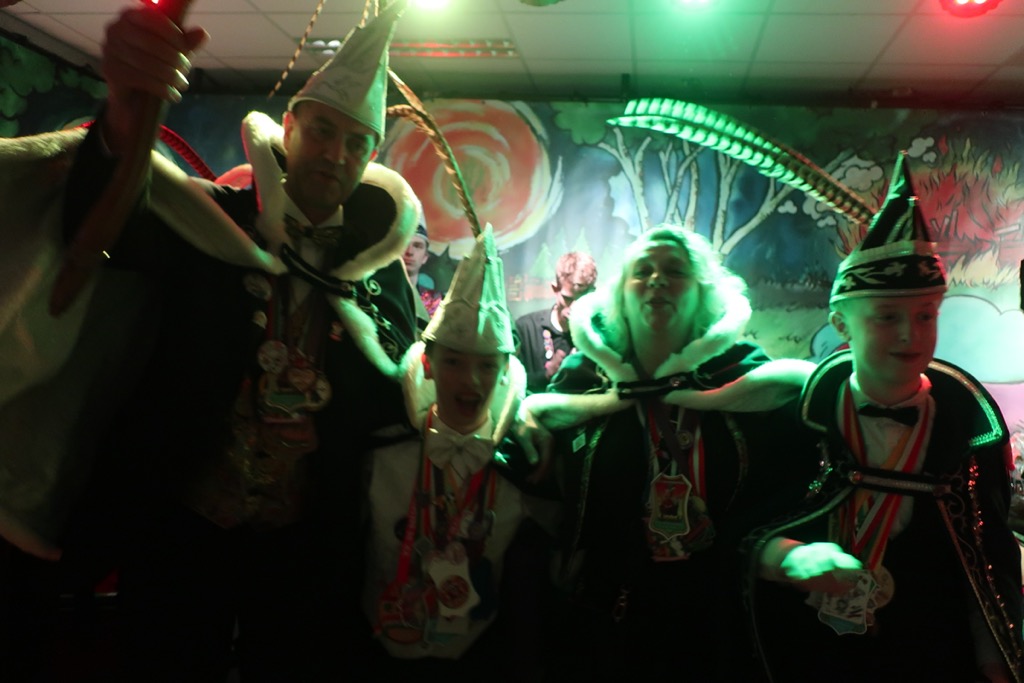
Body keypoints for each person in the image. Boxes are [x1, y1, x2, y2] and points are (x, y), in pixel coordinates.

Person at [2, 2, 421, 681]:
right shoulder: (210, 217)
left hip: (303, 545)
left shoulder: (380, 272)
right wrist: (123, 117)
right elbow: (106, 227)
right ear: (290, 129)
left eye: (355, 143)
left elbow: (393, 394)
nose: (335, 154)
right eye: (322, 131)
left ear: (370, 158)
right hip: (180, 522)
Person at [747, 153, 1023, 683]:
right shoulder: (792, 422)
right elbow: (745, 525)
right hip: (812, 657)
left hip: (933, 658)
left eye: (925, 315)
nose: (909, 335)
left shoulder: (972, 432)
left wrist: (996, 660)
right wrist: (784, 558)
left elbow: (989, 557)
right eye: (886, 316)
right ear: (840, 324)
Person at [515, 225, 818, 681]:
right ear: (622, 293)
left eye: (675, 271)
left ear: (703, 294)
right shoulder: (585, 379)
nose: (657, 280)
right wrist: (527, 424)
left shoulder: (746, 379)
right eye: (643, 271)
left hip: (716, 619)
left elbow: (788, 484)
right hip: (607, 619)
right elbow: (544, 454)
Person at [362, 225, 542, 681]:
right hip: (381, 650)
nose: (471, 380)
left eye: (486, 365)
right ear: (427, 364)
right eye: (455, 361)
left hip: (478, 659)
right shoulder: (381, 457)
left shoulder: (520, 475)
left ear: (504, 373)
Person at [514, 251, 597, 393]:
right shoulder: (525, 328)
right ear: (555, 289)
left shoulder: (599, 334)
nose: (574, 308)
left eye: (581, 299)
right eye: (568, 299)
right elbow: (508, 383)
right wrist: (546, 375)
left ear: (593, 293)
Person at [403, 222, 445, 324]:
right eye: (404, 244)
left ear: (425, 257)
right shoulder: (375, 291)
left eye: (417, 246)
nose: (409, 252)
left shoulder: (437, 303)